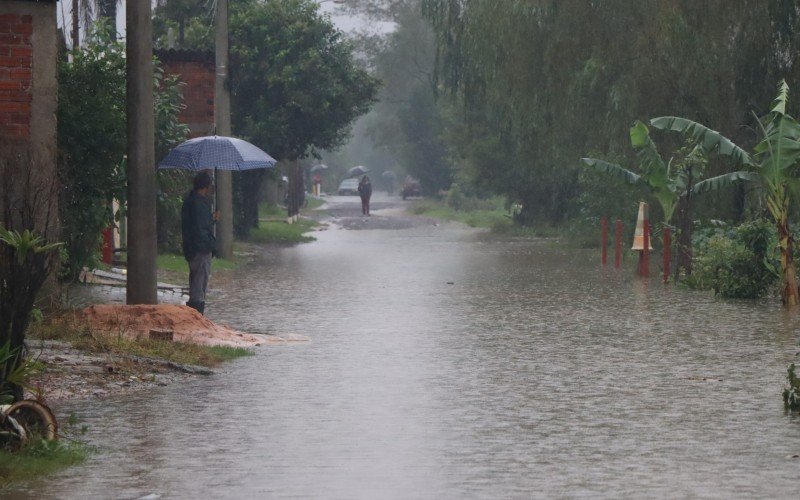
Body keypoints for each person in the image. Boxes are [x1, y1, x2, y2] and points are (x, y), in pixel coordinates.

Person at [181, 171, 218, 315]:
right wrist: (210, 245)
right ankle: (196, 315)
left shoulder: (191, 201)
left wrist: (211, 218)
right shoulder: (199, 203)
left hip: (192, 247)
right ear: (206, 186)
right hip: (200, 249)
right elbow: (200, 228)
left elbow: (199, 223)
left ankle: (195, 314)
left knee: (196, 281)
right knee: (199, 284)